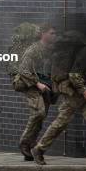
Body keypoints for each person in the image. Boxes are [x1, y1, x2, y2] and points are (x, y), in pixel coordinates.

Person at [32, 30, 86, 166]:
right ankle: (39, 149)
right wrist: (84, 92)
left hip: (81, 89)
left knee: (84, 119)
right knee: (76, 120)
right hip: (72, 88)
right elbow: (74, 75)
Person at [16, 25, 56, 160]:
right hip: (31, 85)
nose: (54, 36)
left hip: (46, 87)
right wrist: (37, 84)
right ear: (43, 34)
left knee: (41, 116)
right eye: (52, 33)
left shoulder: (51, 51)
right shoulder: (33, 50)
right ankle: (24, 142)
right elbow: (23, 70)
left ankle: (31, 144)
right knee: (38, 112)